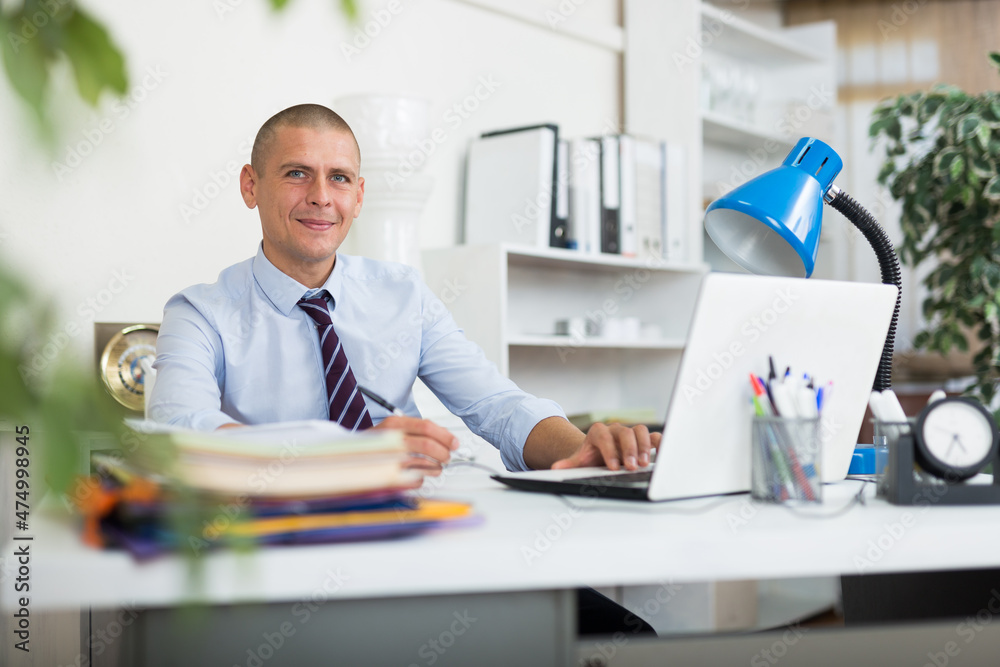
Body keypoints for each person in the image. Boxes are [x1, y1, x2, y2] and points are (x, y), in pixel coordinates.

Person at [150, 103, 660, 476]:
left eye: (339, 178)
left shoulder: (403, 294)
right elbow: (178, 430)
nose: (321, 197)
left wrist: (578, 449)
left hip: (412, 522)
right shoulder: (200, 313)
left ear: (359, 196)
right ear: (251, 185)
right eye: (297, 173)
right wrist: (340, 456)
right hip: (280, 543)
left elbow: (499, 406)